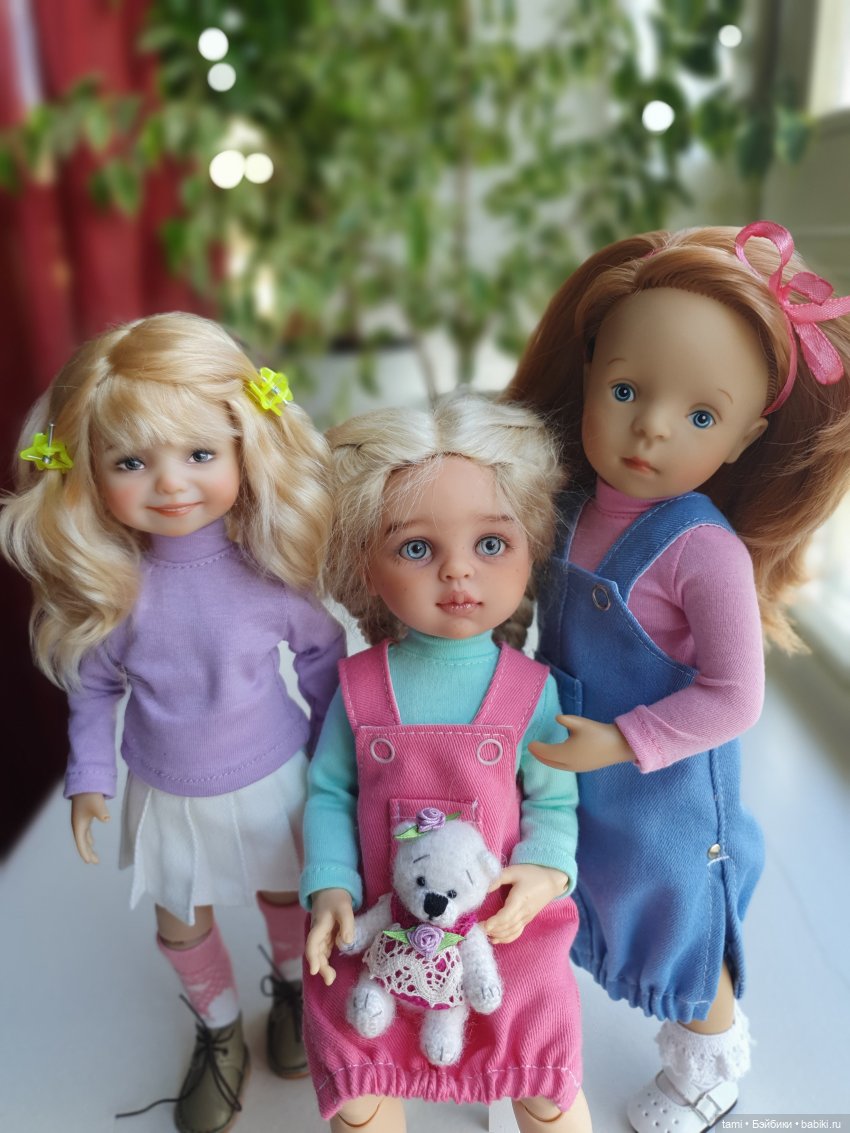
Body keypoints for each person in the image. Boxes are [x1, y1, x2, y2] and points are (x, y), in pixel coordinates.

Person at [503, 220, 850, 1132]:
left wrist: (623, 740)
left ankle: (714, 1061)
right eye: (625, 390)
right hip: (569, 762)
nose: (651, 427)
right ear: (587, 372)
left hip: (668, 792)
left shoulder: (703, 550)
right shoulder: (563, 505)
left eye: (700, 416)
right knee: (576, 885)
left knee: (676, 920)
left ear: (742, 439)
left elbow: (736, 696)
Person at [0, 312, 346, 1133]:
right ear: (88, 472)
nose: (171, 484)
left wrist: (339, 766)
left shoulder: (268, 575)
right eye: (132, 462)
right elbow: (93, 689)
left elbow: (323, 663)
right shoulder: (116, 589)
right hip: (166, 789)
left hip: (273, 775)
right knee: (179, 917)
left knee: (286, 891)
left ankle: (292, 990)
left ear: (243, 449)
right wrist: (90, 779)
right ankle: (217, 1029)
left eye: (199, 454)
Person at [300, 395, 592, 1132]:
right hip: (381, 922)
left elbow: (554, 801)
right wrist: (330, 883)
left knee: (541, 1067)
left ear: (530, 546)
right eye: (416, 548)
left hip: (502, 928)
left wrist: (545, 871)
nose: (458, 570)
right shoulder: (361, 685)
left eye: (491, 543)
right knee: (357, 1071)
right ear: (365, 563)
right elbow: (330, 792)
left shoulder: (530, 689)